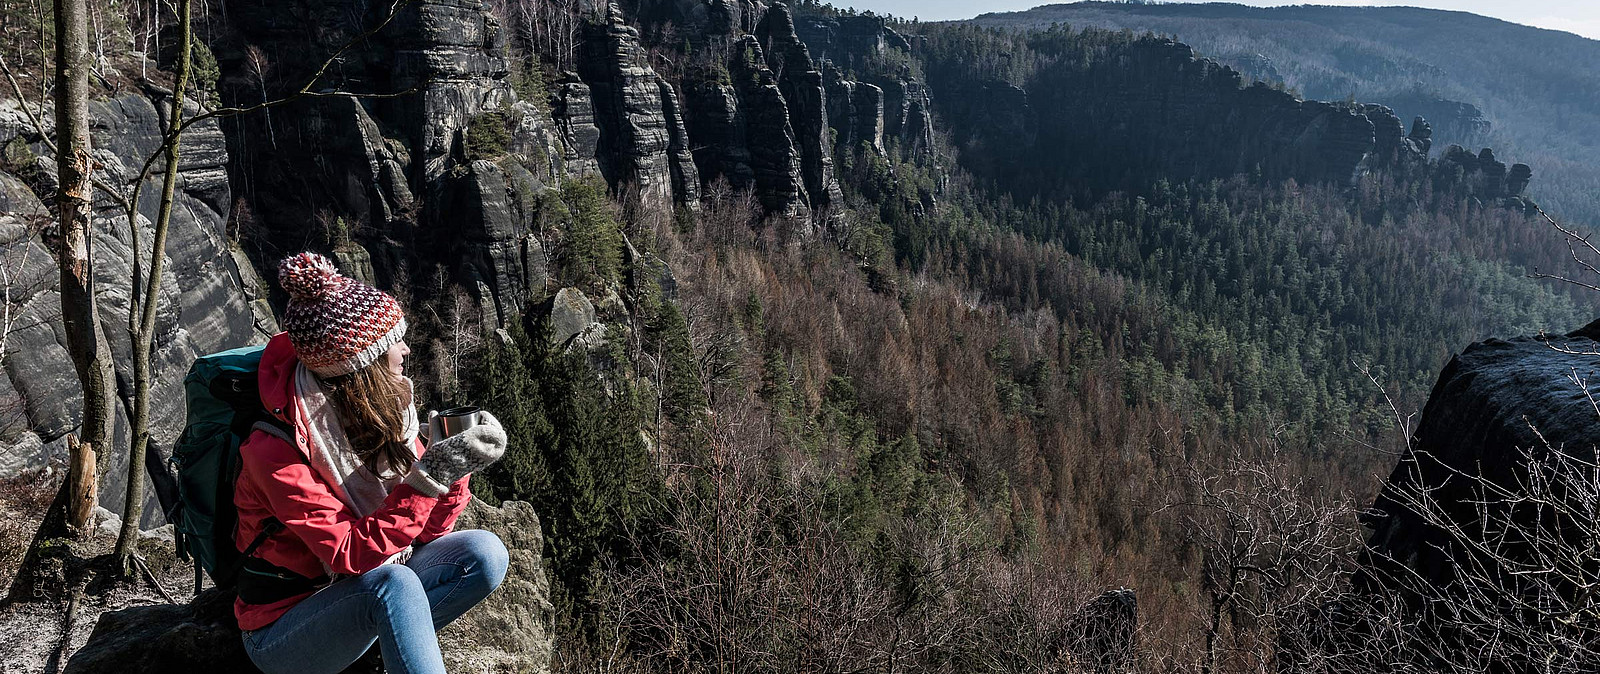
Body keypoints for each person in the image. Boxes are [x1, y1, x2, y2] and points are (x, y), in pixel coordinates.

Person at [232, 252, 509, 674]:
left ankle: (397, 643)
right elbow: (350, 554)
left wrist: (453, 468)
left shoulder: (384, 413)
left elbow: (427, 533)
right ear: (361, 366)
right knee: (393, 587)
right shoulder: (274, 451)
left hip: (360, 592)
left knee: (485, 554)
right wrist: (427, 478)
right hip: (285, 627)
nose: (406, 349)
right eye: (393, 342)